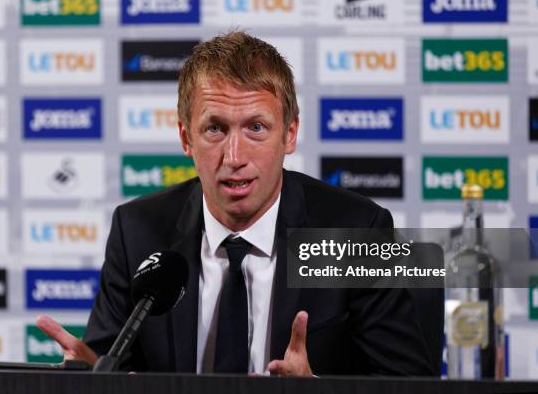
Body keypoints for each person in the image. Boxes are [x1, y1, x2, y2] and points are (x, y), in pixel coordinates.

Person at [37, 31, 434, 376]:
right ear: (185, 139)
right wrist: (89, 376)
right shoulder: (138, 231)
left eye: (256, 128)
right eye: (215, 129)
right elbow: (107, 365)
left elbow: (409, 383)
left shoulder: (355, 232)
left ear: (290, 135)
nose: (234, 156)